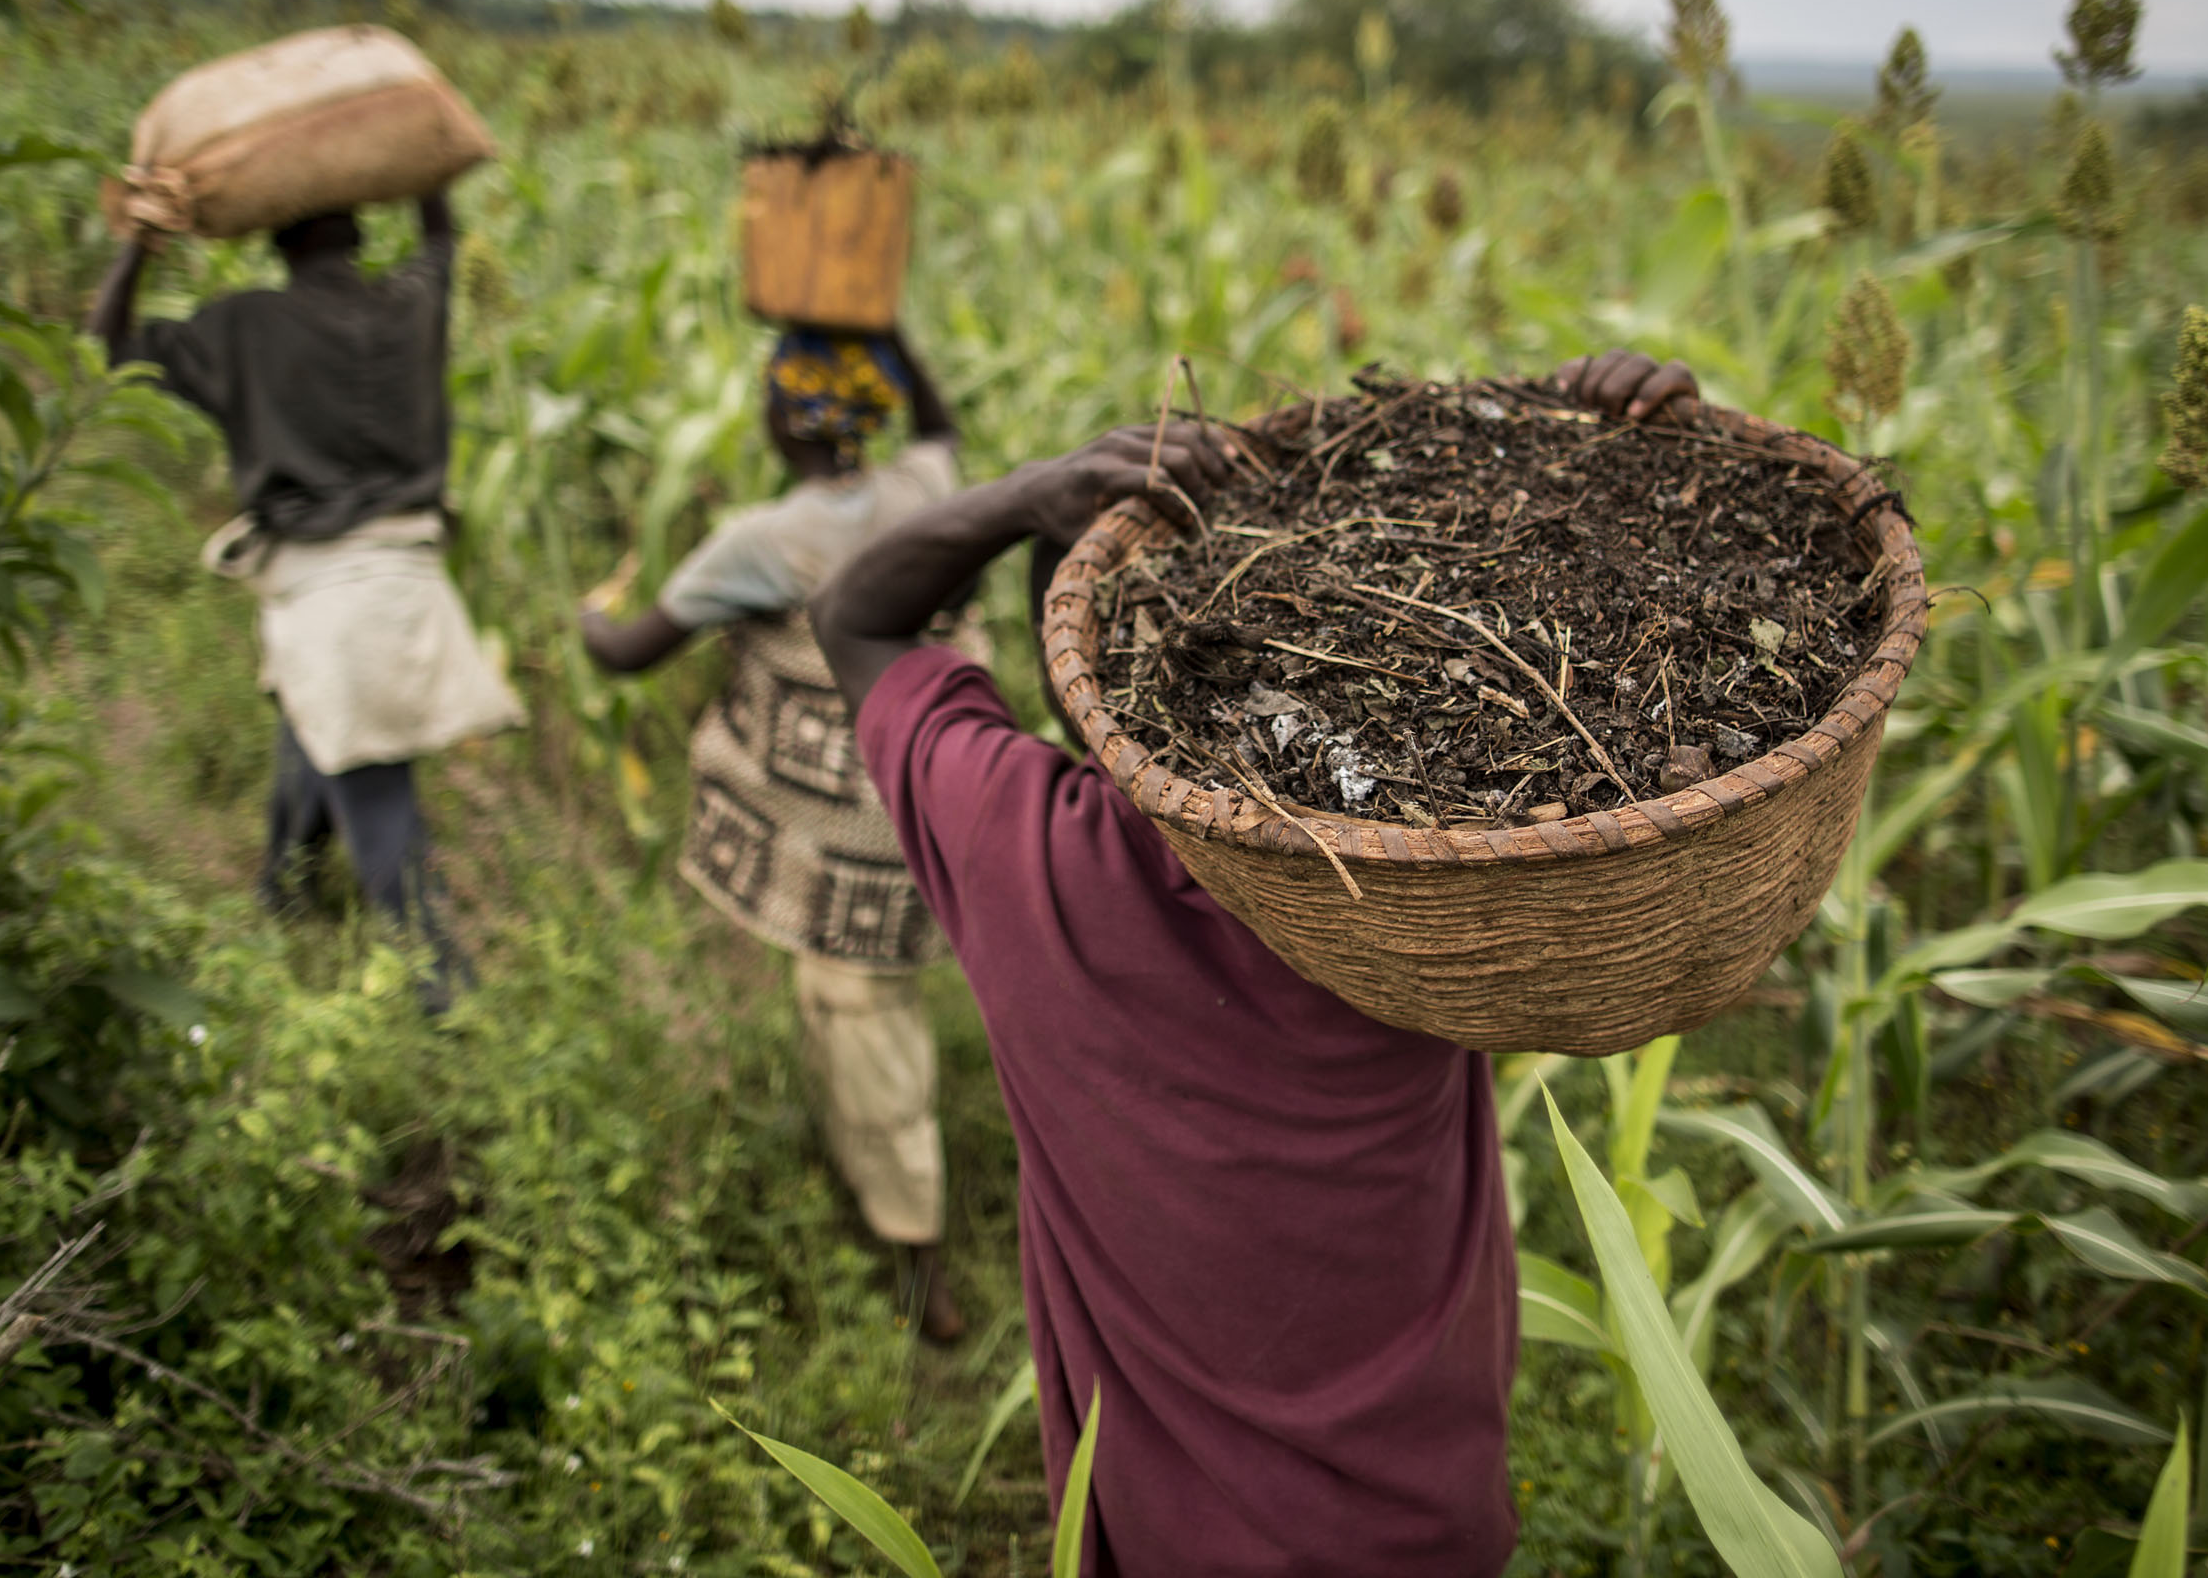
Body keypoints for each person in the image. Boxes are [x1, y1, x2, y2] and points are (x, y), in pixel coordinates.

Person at [807, 350, 1702, 1573]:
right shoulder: (1414, 893)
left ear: (1093, 705)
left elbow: (853, 616)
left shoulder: (1027, 859)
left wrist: (1027, 496)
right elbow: (1602, 715)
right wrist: (1599, 427)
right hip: (1427, 1532)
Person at [579, 328, 972, 1341]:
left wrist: (592, 614)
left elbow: (628, 652)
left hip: (842, 838)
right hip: (930, 808)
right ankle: (864, 1179)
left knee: (868, 1034)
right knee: (857, 1009)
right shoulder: (923, 487)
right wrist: (889, 334)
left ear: (779, 419)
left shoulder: (763, 542)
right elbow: (941, 426)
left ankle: (920, 1264)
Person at [85, 192, 520, 1009]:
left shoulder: (246, 326)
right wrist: (423, 176)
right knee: (315, 734)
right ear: (358, 229)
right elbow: (440, 238)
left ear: (275, 239)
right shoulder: (411, 305)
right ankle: (284, 899)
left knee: (376, 791)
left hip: (324, 597)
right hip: (401, 584)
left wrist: (138, 245)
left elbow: (106, 348)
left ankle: (446, 1000)